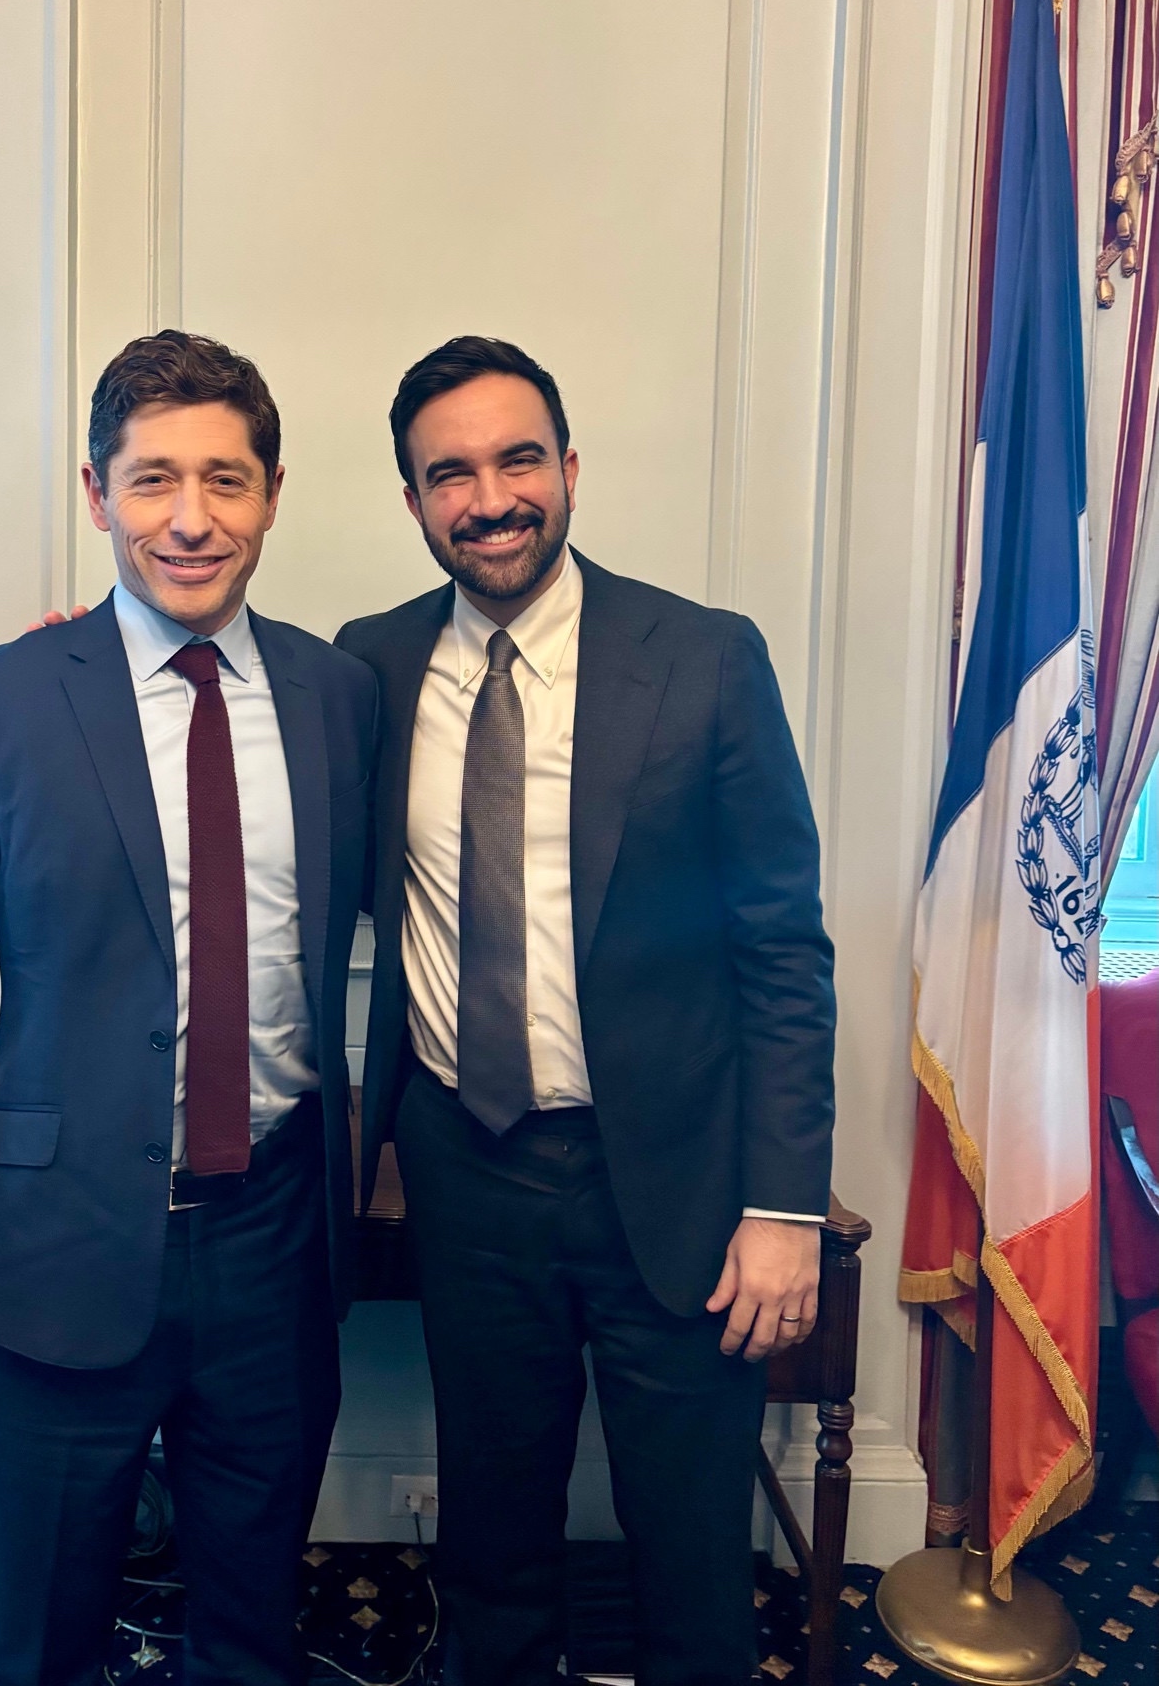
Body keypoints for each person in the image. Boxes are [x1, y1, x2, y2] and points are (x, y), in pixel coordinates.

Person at [0, 332, 377, 1686]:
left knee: (255, 1629)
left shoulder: (339, 699)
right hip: (55, 1254)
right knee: (41, 1643)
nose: (190, 519)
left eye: (225, 480)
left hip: (275, 1242)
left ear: (272, 495)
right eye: (152, 480)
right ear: (97, 495)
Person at [335, 336, 836, 1686]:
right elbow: (255, 792)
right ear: (413, 500)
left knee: (689, 1547)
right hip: (465, 1168)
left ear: (568, 468)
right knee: (492, 1539)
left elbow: (783, 952)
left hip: (672, 1182)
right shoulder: (369, 667)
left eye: (518, 461)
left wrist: (785, 1207)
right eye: (451, 474)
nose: (490, 498)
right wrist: (95, 662)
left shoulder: (706, 658)